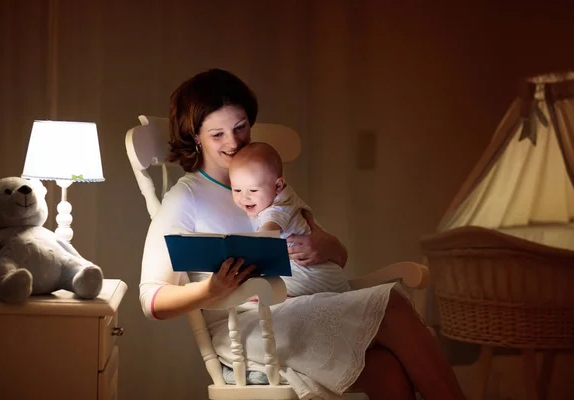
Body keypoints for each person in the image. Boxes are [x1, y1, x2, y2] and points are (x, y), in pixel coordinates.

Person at [139, 68, 466, 400]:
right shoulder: (186, 199)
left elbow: (338, 256)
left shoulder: (266, 183)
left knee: (387, 368)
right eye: (217, 134)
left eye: (240, 128)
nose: (234, 142)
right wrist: (212, 288)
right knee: (392, 303)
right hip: (249, 325)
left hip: (301, 304)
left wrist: (325, 245)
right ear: (195, 136)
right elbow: (152, 300)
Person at [229, 141, 350, 296]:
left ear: (278, 186)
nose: (244, 197)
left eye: (253, 190)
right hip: (329, 275)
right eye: (237, 190)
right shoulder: (283, 194)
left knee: (260, 287)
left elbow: (266, 234)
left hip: (314, 277)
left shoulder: (277, 209)